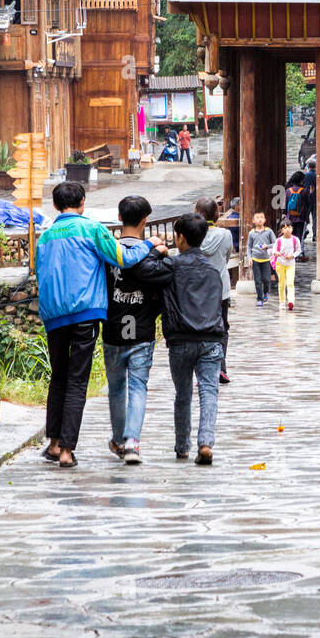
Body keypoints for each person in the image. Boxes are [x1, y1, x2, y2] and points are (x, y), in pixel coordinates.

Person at [36, 181, 157, 468]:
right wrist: (150, 245)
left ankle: (53, 444)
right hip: (85, 314)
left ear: (55, 206)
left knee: (58, 378)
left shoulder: (45, 237)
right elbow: (124, 258)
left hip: (53, 316)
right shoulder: (91, 229)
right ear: (82, 203)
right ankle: (67, 451)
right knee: (77, 381)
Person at [102, 195, 173, 464]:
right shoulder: (150, 255)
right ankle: (133, 442)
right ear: (145, 220)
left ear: (119, 218)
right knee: (139, 387)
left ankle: (119, 440)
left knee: (117, 387)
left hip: (112, 331)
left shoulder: (109, 253)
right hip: (142, 332)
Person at [162, 212, 225, 465]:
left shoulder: (172, 267)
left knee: (183, 393)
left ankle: (182, 447)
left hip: (181, 338)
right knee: (209, 391)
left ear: (180, 238)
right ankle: (206, 443)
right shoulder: (212, 271)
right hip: (211, 338)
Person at [196, 197, 234, 384]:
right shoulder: (225, 234)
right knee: (221, 328)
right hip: (220, 288)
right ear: (216, 214)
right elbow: (227, 258)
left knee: (200, 328)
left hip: (198, 289)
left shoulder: (193, 235)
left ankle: (204, 368)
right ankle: (221, 367)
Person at [246, 211, 275, 306]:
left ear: (265, 220)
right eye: (257, 218)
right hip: (256, 259)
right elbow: (249, 247)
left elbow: (275, 243)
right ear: (253, 221)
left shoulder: (269, 231)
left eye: (262, 217)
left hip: (266, 259)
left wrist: (267, 246)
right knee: (257, 280)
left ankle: (265, 292)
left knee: (266, 280)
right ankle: (259, 299)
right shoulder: (252, 233)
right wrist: (249, 258)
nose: (260, 219)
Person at [272, 219, 300, 308]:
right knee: (282, 283)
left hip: (291, 264)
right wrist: (277, 253)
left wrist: (292, 255)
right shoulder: (279, 240)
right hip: (280, 263)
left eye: (289, 227)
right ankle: (282, 301)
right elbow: (274, 250)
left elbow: (298, 250)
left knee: (290, 283)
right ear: (281, 230)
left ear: (292, 228)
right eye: (284, 228)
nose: (287, 229)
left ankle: (291, 300)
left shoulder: (295, 240)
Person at [284, 173, 309, 261]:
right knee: (299, 236)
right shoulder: (304, 191)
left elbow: (286, 205)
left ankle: (291, 253)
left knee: (291, 235)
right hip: (301, 217)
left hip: (290, 217)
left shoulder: (288, 191)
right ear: (301, 180)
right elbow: (308, 204)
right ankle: (299, 254)